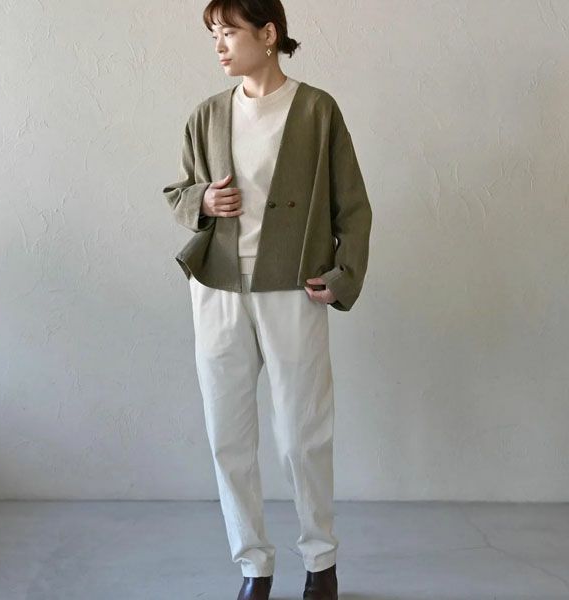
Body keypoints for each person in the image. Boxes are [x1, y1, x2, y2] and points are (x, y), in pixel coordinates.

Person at [163, 1, 372, 598]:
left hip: (293, 289)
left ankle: (321, 564)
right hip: (218, 291)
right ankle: (253, 567)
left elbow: (353, 206)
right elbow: (180, 191)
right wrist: (203, 201)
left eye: (229, 32)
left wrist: (343, 275)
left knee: (304, 435)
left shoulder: (317, 110)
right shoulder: (207, 115)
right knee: (227, 436)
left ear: (269, 33)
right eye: (214, 34)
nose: (219, 45)